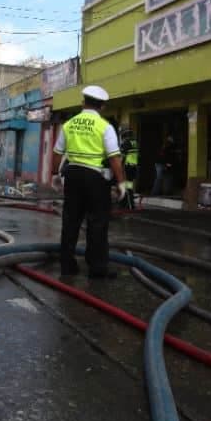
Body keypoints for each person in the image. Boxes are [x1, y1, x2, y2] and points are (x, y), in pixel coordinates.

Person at [52, 85, 127, 279]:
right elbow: (114, 158)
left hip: (73, 176)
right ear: (102, 106)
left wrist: (55, 174)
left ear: (83, 102)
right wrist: (121, 183)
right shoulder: (105, 127)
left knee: (70, 221)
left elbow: (57, 153)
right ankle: (97, 268)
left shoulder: (69, 124)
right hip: (96, 179)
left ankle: (67, 265)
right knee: (97, 223)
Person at [119, 128, 139, 210]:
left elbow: (122, 157)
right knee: (129, 186)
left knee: (124, 186)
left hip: (127, 167)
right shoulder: (135, 142)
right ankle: (130, 204)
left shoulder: (126, 143)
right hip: (134, 166)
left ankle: (128, 205)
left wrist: (119, 166)